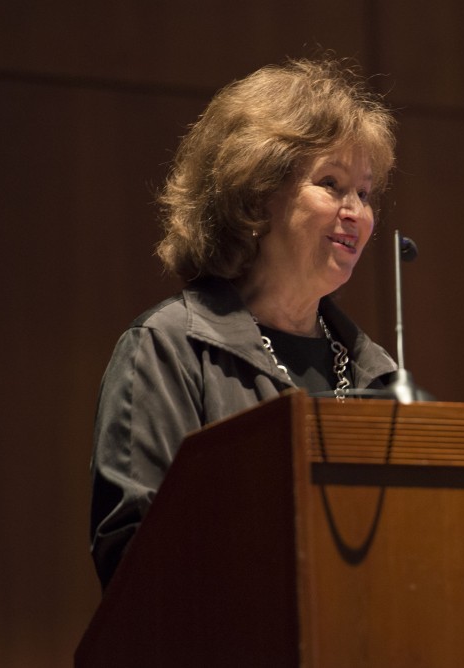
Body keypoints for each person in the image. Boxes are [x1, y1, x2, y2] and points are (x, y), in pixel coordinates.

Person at [89, 58, 399, 588]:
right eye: (332, 184)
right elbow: (134, 563)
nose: (357, 213)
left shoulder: (380, 375)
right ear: (256, 195)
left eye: (365, 193)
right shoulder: (170, 350)